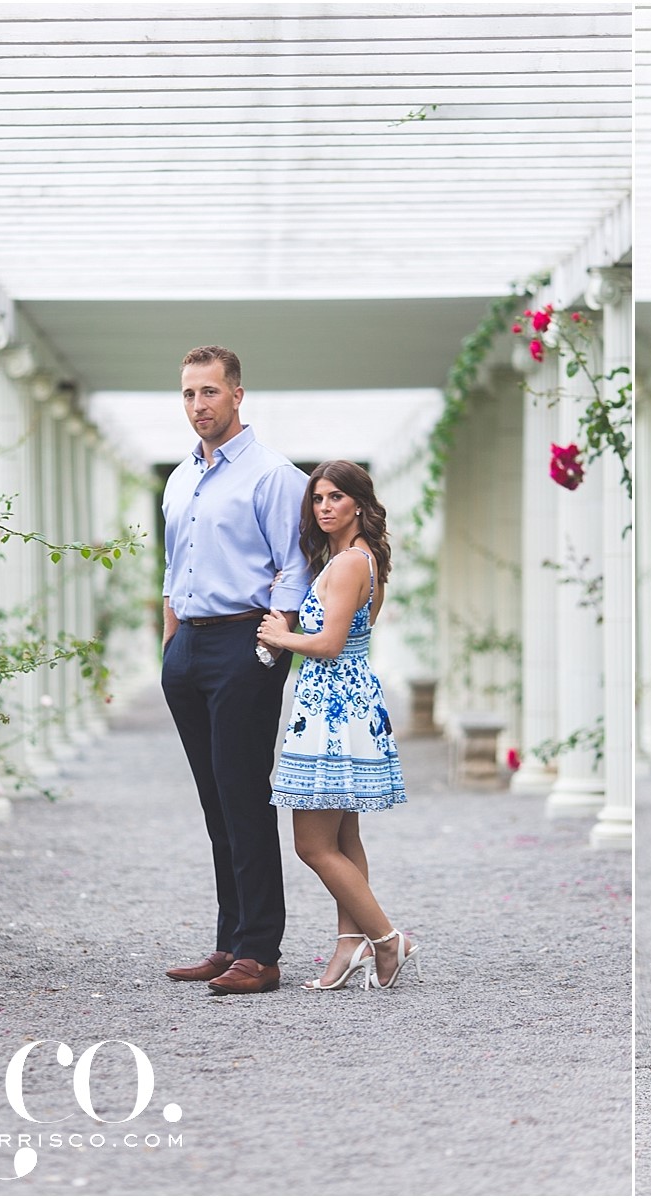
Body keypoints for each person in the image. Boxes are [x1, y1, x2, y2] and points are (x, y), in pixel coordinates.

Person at [161, 345, 311, 996]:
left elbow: (297, 563)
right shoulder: (179, 477)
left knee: (244, 795)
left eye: (211, 392)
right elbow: (173, 570)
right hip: (189, 648)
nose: (199, 405)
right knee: (214, 800)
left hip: (243, 644)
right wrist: (171, 650)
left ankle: (261, 951)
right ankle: (229, 941)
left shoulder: (275, 475)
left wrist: (272, 642)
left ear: (238, 394)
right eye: (190, 394)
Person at [257, 460, 420, 991]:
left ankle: (387, 938)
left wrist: (282, 638)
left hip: (332, 708)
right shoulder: (357, 559)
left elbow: (328, 645)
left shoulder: (350, 563)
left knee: (311, 844)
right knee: (345, 835)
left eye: (335, 498)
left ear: (359, 504)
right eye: (318, 499)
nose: (324, 507)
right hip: (344, 699)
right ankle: (350, 947)